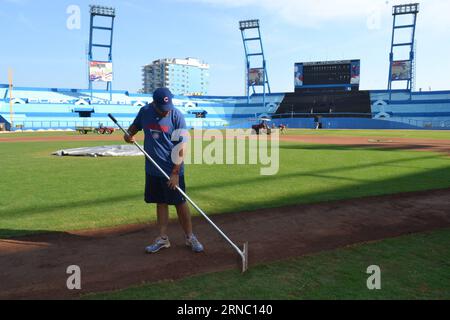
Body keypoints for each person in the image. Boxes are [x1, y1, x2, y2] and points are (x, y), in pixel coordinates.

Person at [124, 88, 204, 254]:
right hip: (153, 168)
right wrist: (128, 135)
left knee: (180, 203)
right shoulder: (145, 112)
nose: (166, 112)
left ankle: (190, 237)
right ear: (154, 103)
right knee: (160, 202)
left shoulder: (177, 116)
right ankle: (162, 238)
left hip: (172, 168)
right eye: (162, 109)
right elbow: (133, 128)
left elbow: (181, 147)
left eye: (168, 108)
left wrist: (175, 173)